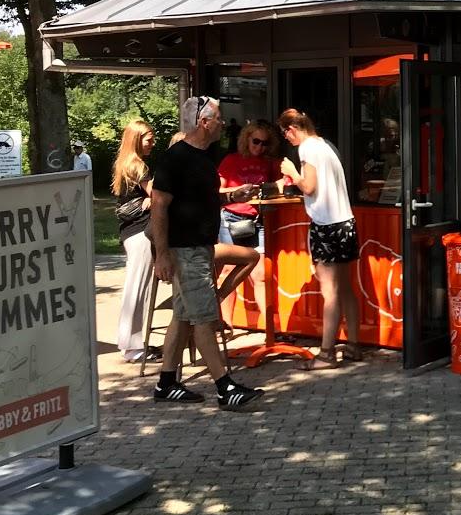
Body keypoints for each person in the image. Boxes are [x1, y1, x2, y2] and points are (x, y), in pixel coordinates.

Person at [150, 95, 264, 408]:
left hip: (200, 247)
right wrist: (162, 254)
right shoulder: (177, 157)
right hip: (185, 251)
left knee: (184, 317)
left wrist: (232, 195)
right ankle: (225, 388)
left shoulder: (203, 157)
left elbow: (202, 200)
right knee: (203, 318)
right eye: (218, 118)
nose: (223, 123)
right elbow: (159, 205)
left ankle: (166, 383)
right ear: (204, 122)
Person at [277, 107, 364, 368]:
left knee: (330, 291)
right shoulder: (325, 145)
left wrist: (292, 171)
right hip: (345, 221)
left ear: (291, 129)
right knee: (345, 287)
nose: (287, 140)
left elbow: (310, 186)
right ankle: (353, 345)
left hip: (326, 225)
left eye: (285, 135)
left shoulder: (306, 149)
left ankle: (327, 353)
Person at [112, 119, 156, 363]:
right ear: (137, 139)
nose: (152, 143)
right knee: (139, 288)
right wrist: (153, 199)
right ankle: (135, 347)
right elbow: (156, 193)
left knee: (134, 287)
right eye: (149, 139)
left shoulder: (124, 163)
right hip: (141, 231)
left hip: (129, 232)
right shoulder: (138, 166)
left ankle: (129, 343)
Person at [217, 121, 280, 251]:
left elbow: (278, 189)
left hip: (259, 218)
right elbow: (218, 191)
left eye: (265, 143)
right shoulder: (231, 159)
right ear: (247, 139)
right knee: (231, 264)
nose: (259, 146)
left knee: (260, 265)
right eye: (256, 141)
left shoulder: (270, 163)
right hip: (232, 216)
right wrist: (240, 190)